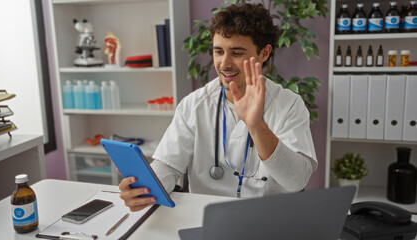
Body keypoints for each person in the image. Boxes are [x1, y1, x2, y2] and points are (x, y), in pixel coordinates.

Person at [119, 2, 317, 212]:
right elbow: (167, 165)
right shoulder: (194, 104)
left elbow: (297, 182)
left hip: (268, 219)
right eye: (218, 51)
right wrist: (144, 189)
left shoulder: (289, 105)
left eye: (237, 53)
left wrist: (257, 126)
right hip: (207, 217)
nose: (224, 63)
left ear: (264, 53)